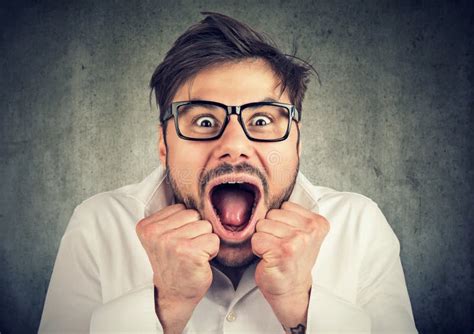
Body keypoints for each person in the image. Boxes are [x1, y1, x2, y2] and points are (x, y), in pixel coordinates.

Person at [39, 12, 418, 334]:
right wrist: (161, 308)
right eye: (204, 120)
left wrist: (303, 309)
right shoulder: (98, 226)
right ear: (163, 144)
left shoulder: (360, 226)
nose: (234, 144)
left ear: (297, 142)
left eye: (261, 119)